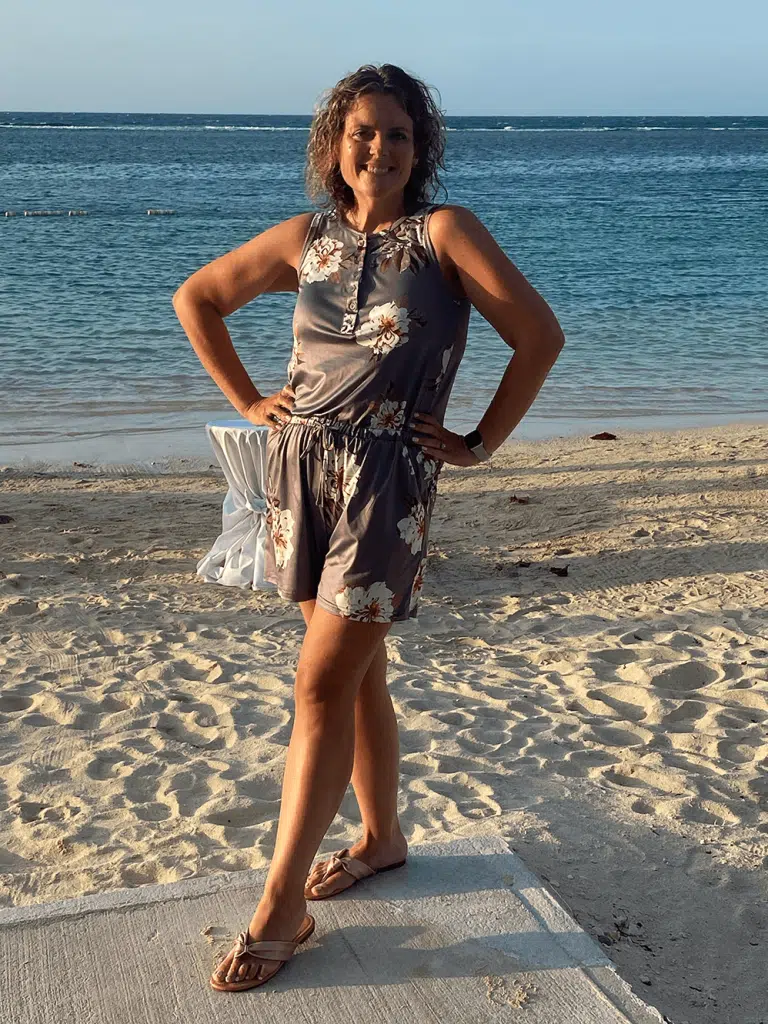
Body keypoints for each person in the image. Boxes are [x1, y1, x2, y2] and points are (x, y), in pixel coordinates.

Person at [173, 63, 564, 993]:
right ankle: (382, 838)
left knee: (319, 685)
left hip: (388, 483)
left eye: (397, 133)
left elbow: (539, 336)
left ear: (419, 149)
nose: (379, 148)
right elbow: (199, 298)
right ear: (334, 145)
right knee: (357, 677)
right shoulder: (305, 240)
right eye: (362, 132)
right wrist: (250, 401)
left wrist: (478, 444)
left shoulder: (445, 234)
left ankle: (280, 906)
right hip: (300, 474)